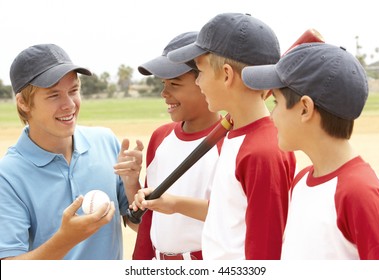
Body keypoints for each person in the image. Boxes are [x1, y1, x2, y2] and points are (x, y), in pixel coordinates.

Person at [134, 13, 296, 260]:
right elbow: (229, 213)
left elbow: (266, 253)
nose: (198, 82)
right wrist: (175, 204)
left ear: (227, 75)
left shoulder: (264, 150)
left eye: (199, 71)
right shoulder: (235, 134)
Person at [242, 42, 379, 259]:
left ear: (305, 108)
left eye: (276, 102)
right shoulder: (301, 181)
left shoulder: (359, 193)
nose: (272, 116)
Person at [0, 44, 143, 260]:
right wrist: (66, 240)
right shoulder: (7, 176)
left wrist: (132, 185)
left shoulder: (106, 141)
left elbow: (138, 226)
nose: (69, 105)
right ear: (23, 103)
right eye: (54, 95)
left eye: (73, 91)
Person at [129, 31, 222, 260]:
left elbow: (234, 218)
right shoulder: (161, 137)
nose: (164, 93)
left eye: (175, 84)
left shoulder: (229, 142)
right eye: (163, 83)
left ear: (205, 80)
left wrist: (176, 204)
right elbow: (150, 214)